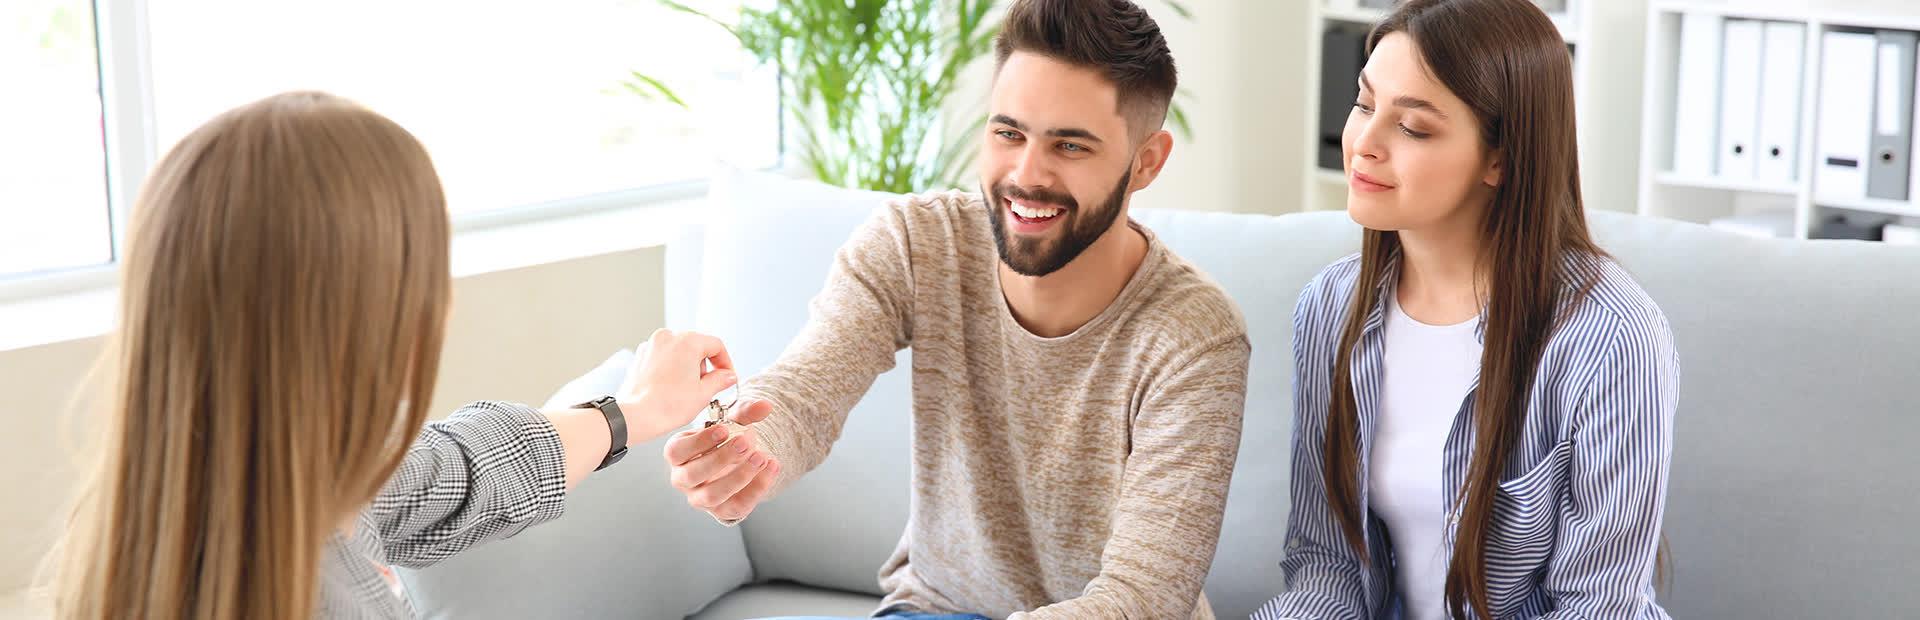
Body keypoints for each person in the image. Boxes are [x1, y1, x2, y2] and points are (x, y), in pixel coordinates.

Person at [45, 91, 754, 618]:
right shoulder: (311, 591)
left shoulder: (191, 504)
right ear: (368, 322)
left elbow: (460, 468)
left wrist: (629, 412)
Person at [661, 0, 1251, 617]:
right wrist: (744, 453)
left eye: (1070, 146)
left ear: (1147, 161)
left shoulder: (1193, 336)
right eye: (1008, 133)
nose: (1026, 174)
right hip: (934, 608)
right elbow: (806, 394)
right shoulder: (917, 245)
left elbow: (1145, 597)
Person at [1255, 1, 1678, 618]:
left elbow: (1599, 604)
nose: (1364, 145)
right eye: (1364, 104)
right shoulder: (1331, 308)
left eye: (1414, 128)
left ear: (1500, 158)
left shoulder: (1610, 337)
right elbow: (1328, 569)